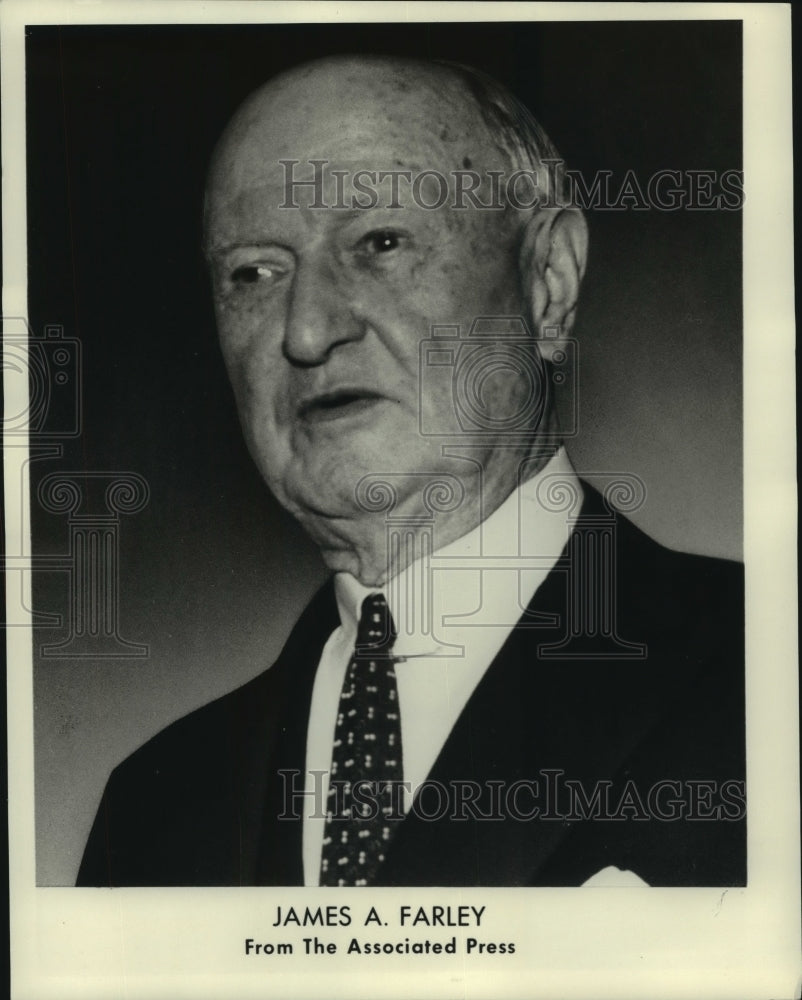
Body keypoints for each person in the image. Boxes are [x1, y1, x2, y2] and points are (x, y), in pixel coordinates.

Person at [77, 55, 745, 888]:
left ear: (549, 284)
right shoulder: (151, 811)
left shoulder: (763, 683)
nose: (307, 331)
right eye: (254, 273)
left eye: (380, 242)